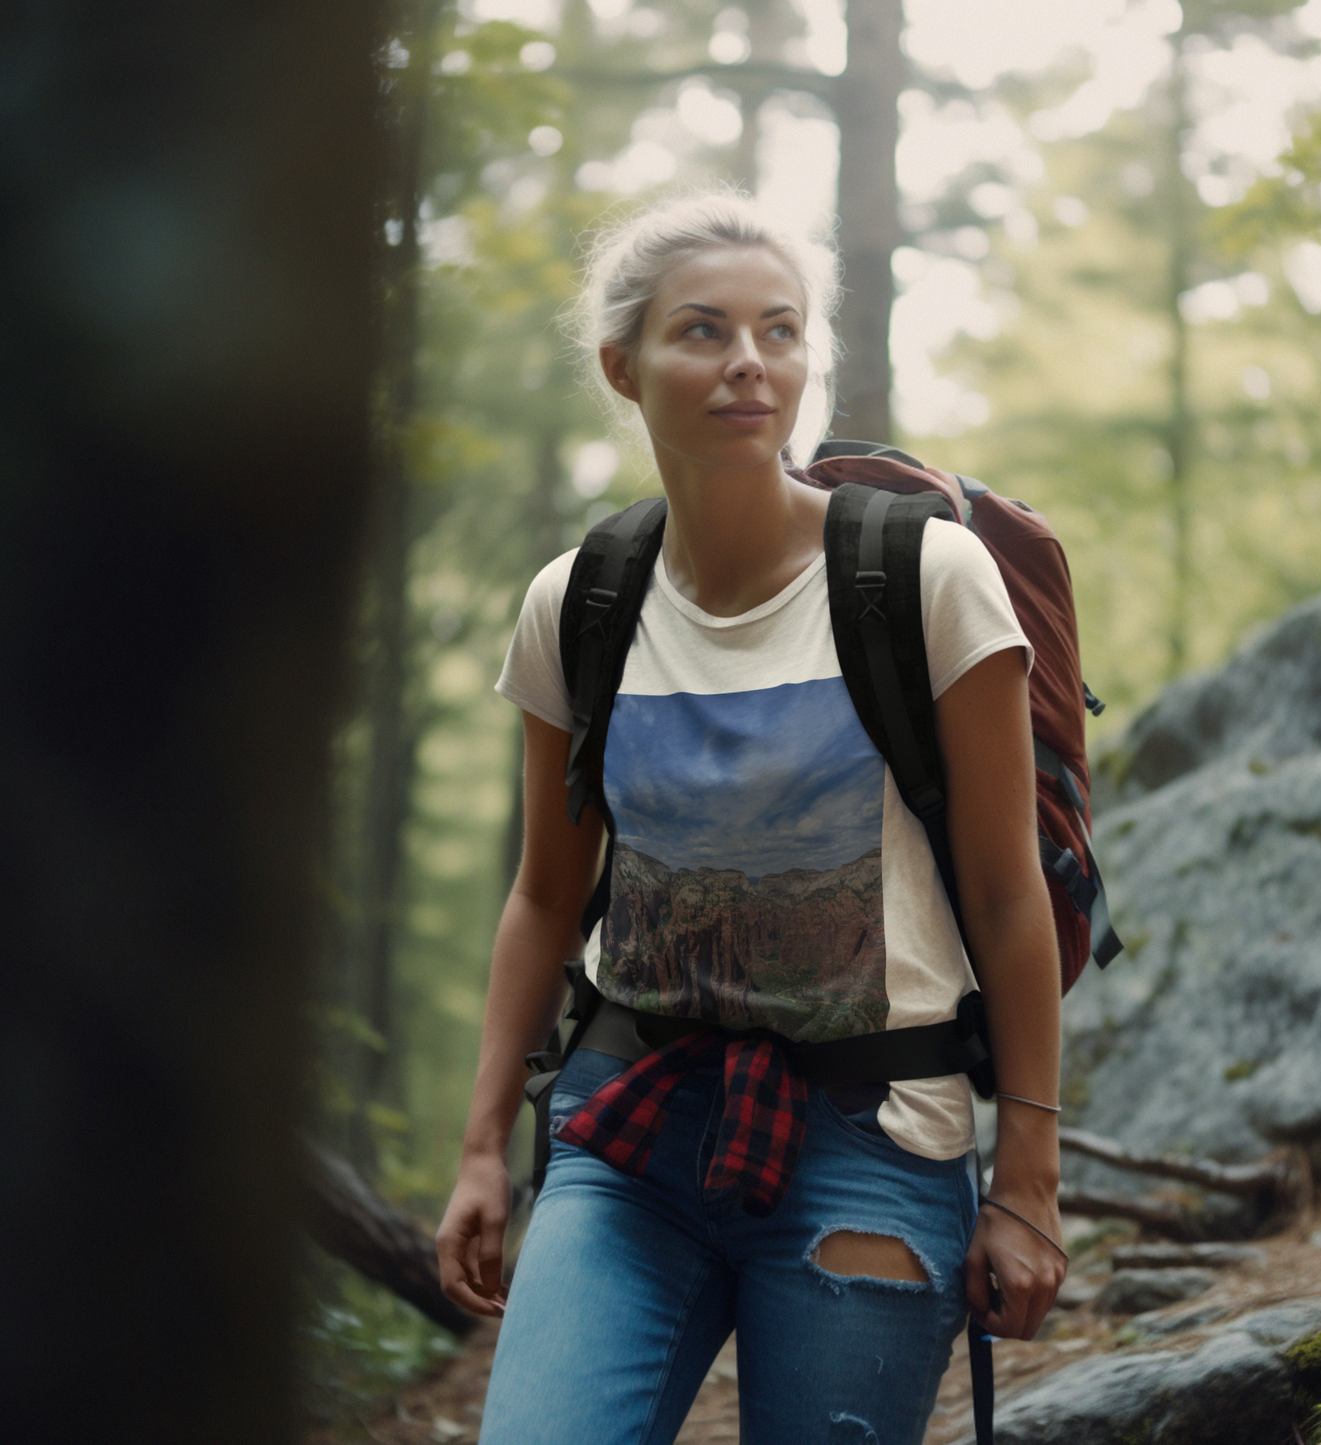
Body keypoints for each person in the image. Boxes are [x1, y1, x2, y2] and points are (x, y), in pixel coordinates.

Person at [436, 190, 1067, 1445]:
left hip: (872, 1140)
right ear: (622, 366)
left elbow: (1006, 895)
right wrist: (478, 1150)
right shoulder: (580, 601)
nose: (746, 364)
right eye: (702, 331)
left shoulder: (923, 581)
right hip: (629, 1129)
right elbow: (544, 895)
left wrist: (1029, 1182)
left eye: (778, 331)